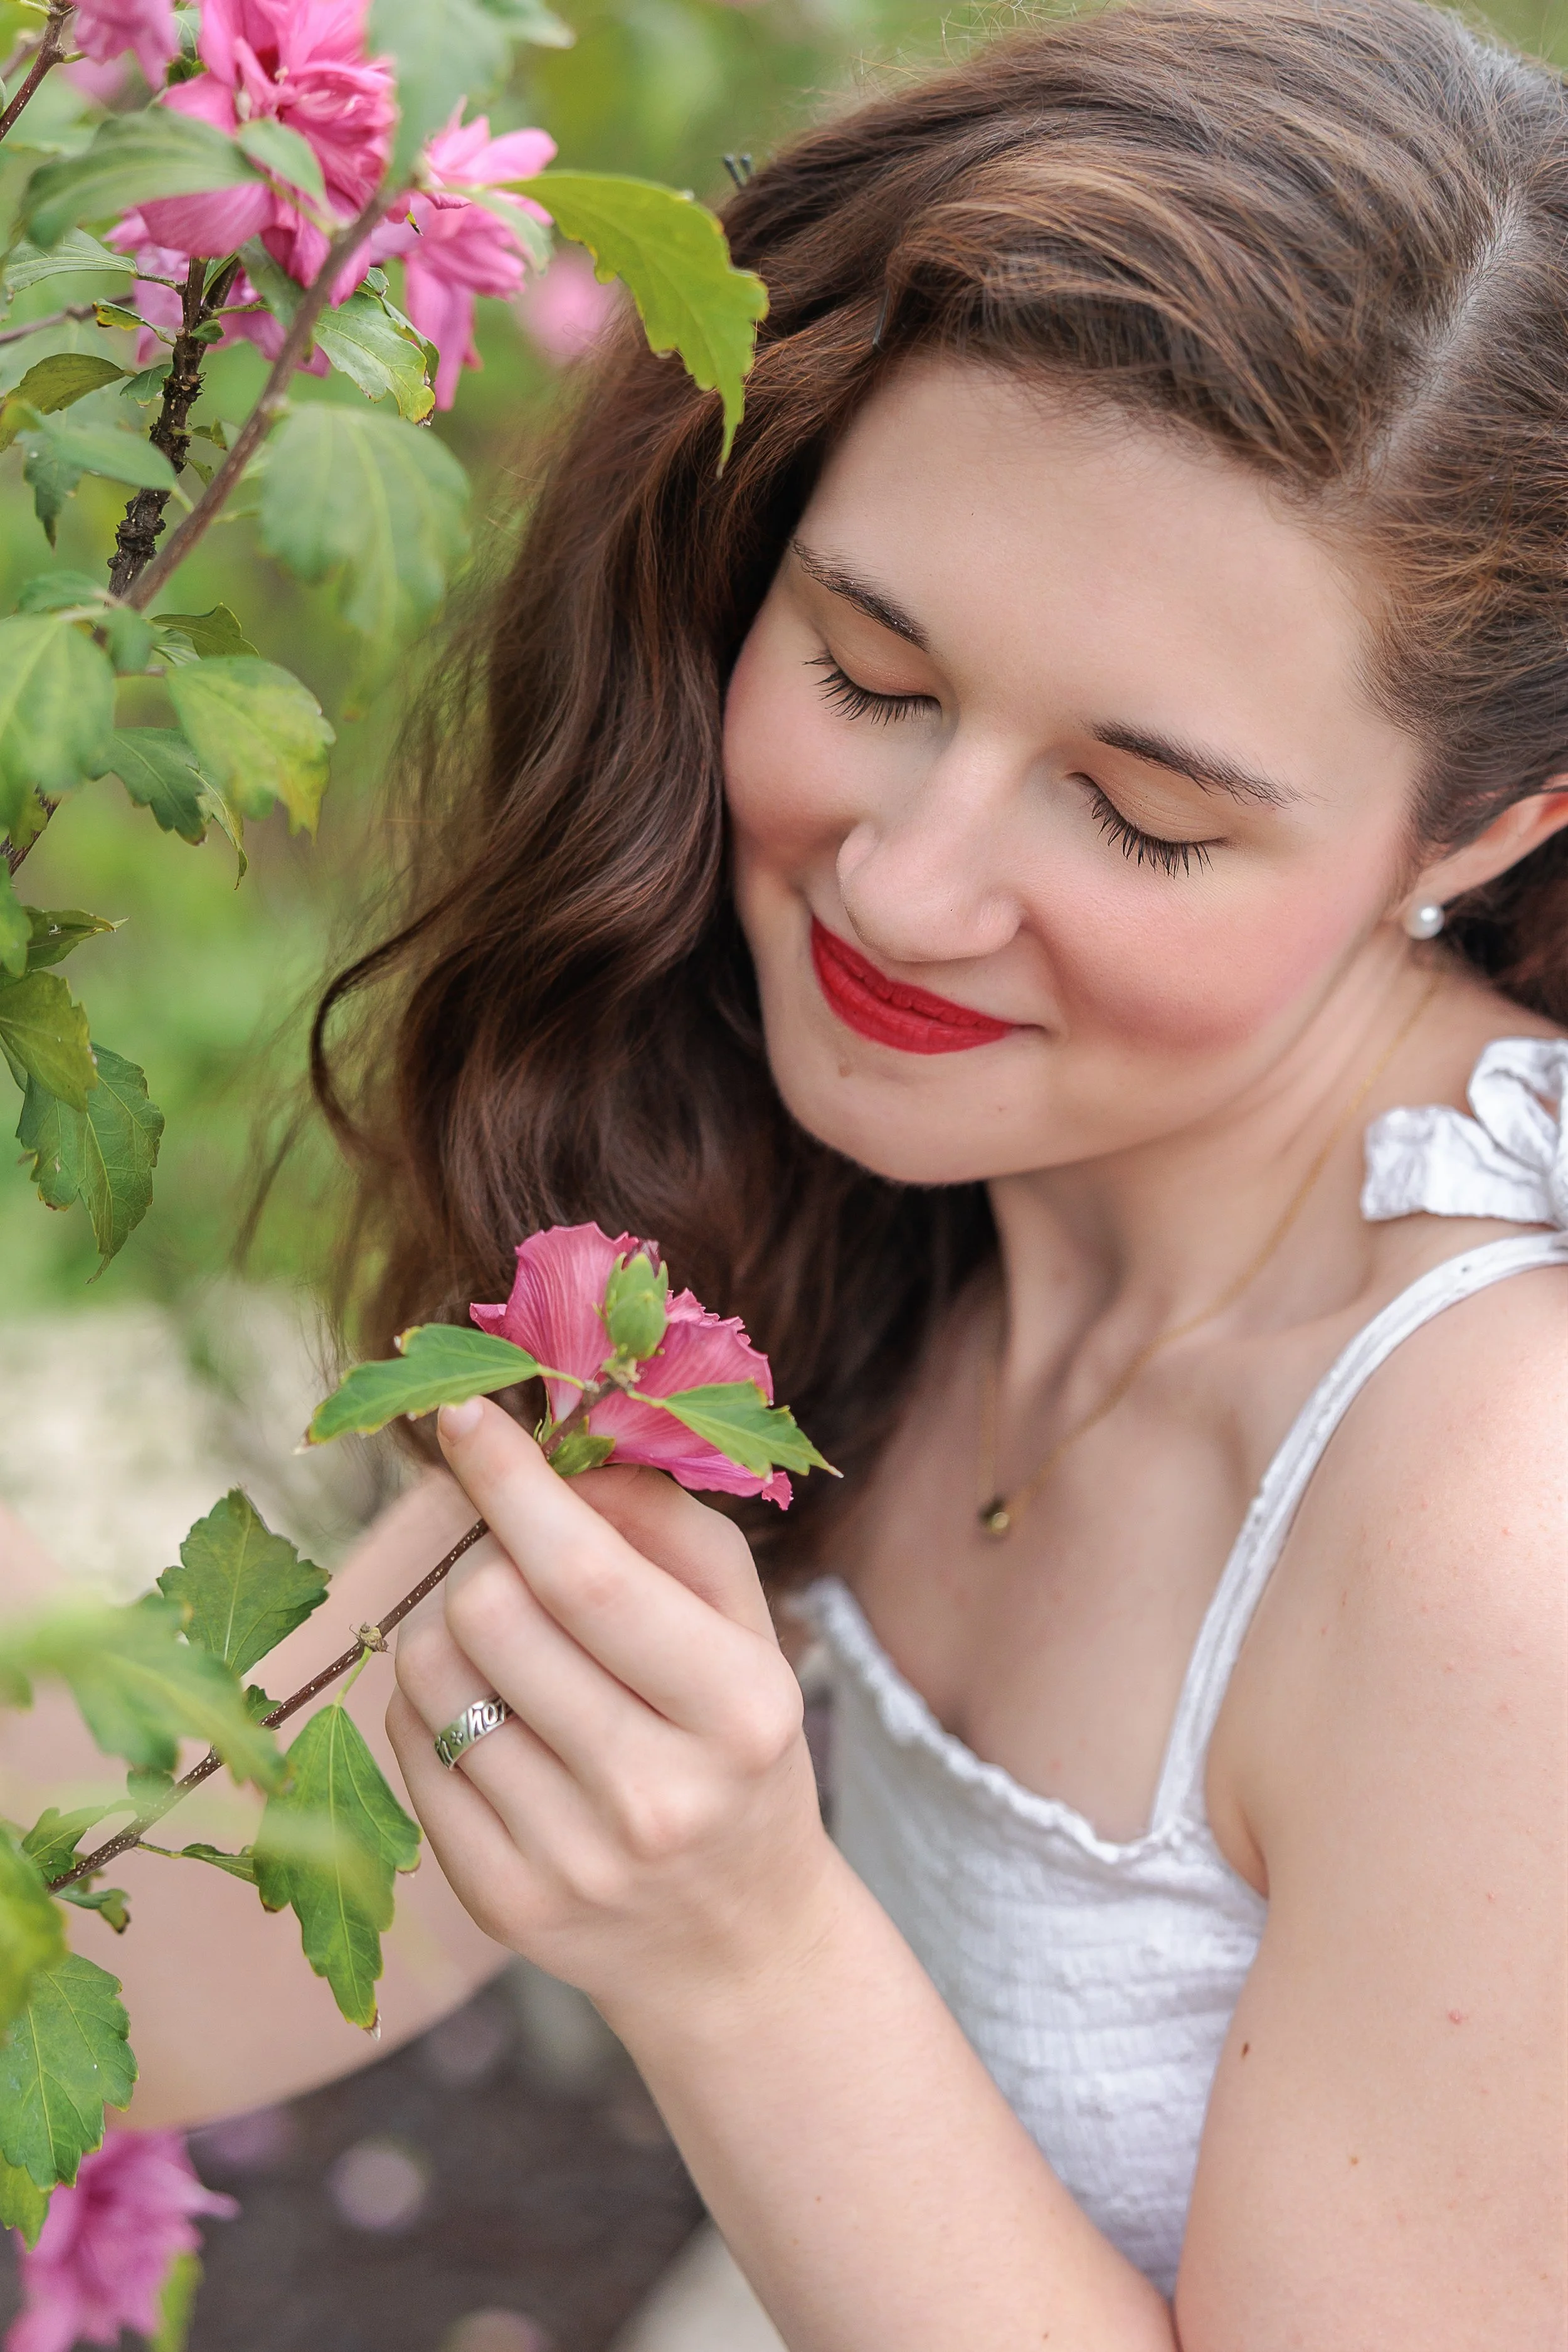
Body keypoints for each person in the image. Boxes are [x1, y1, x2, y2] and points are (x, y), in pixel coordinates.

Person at [14, 1, 1568, 2339]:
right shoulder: (895, 1175)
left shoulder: (1495, 1533)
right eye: (864, 672)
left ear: (1481, 831)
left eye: (1139, 816)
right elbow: (170, 1958)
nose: (904, 894)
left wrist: (737, 1951)